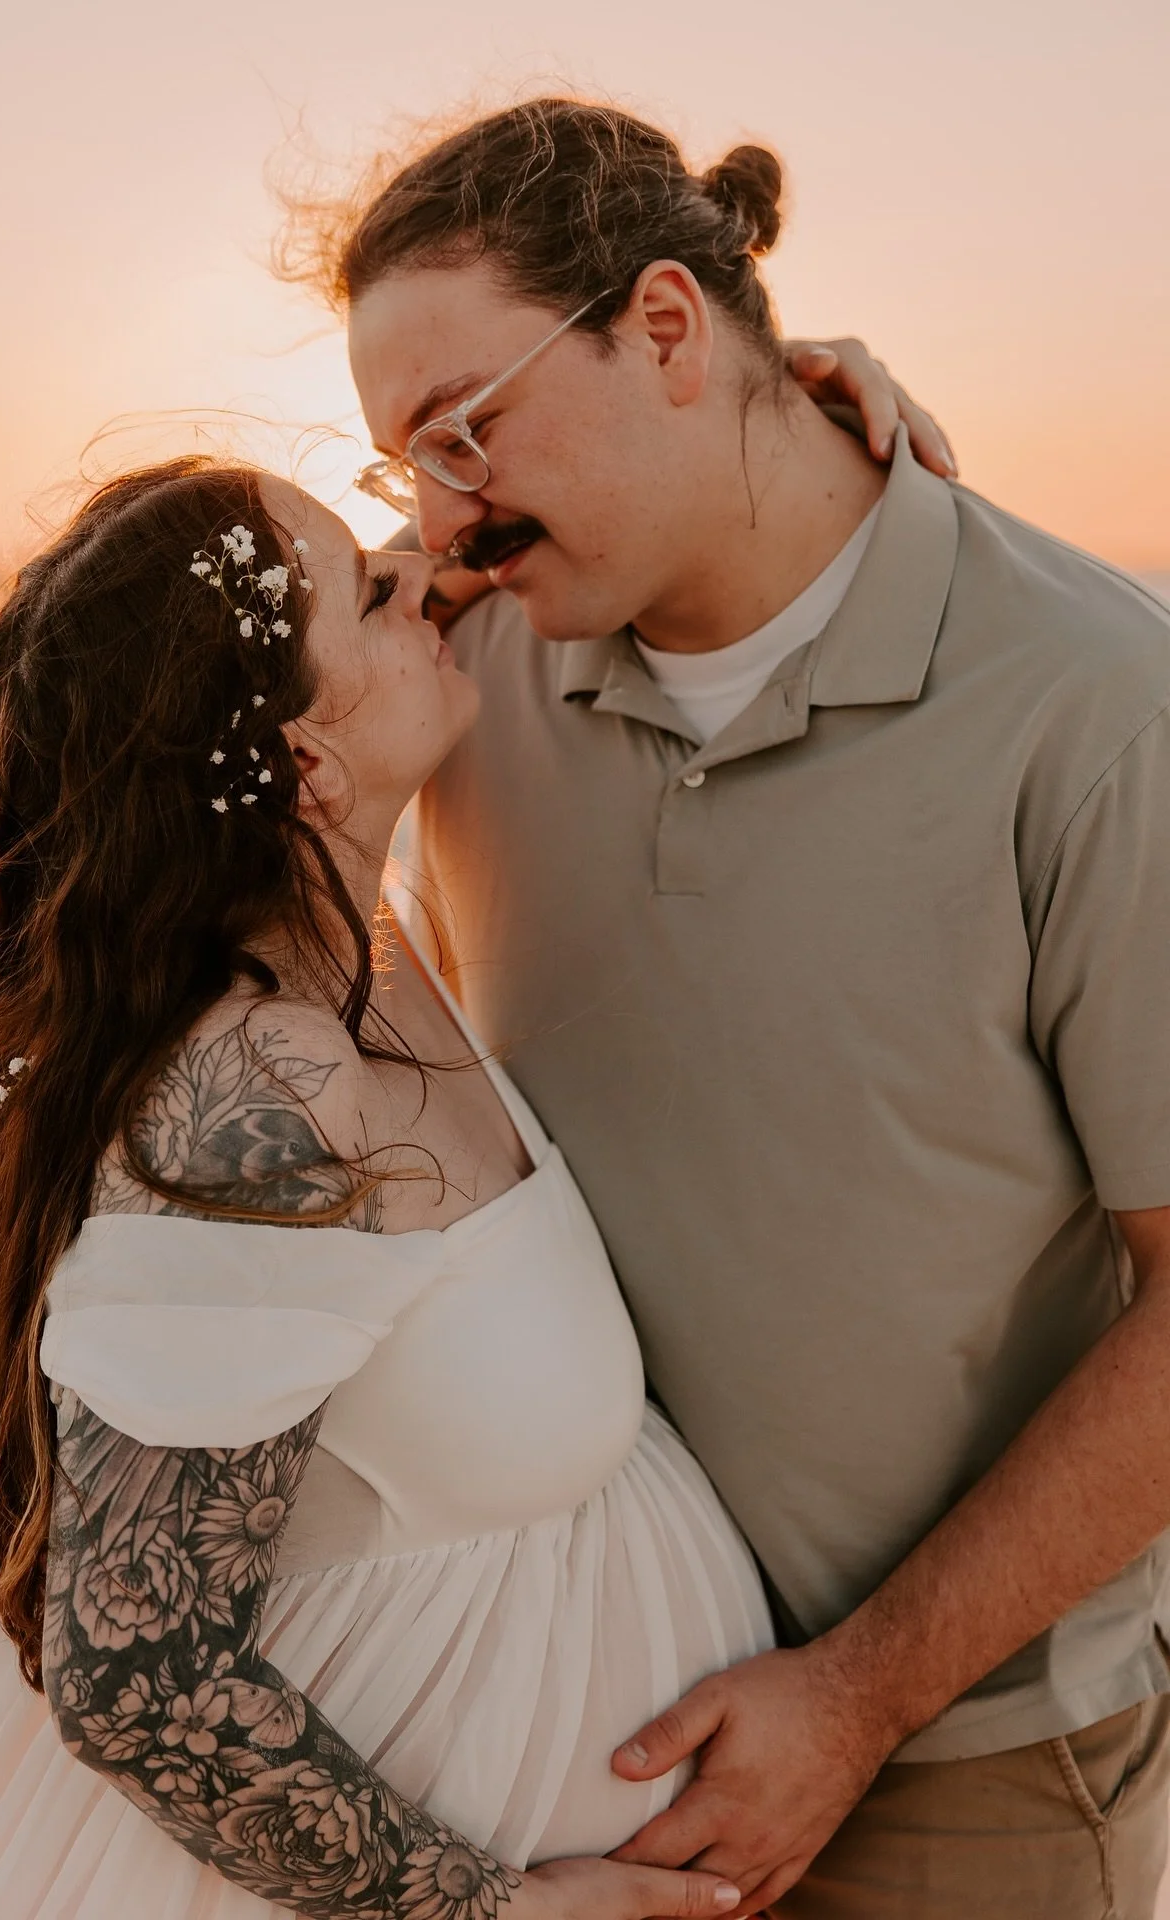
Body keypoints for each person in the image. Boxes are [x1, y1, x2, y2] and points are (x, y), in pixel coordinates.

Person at [0, 382, 934, 1920]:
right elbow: (133, 1664)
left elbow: (413, 580)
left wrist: (752, 406)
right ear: (300, 765)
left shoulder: (357, 950)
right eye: (375, 598)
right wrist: (490, 1912)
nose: (420, 582)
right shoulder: (267, 1097)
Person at [284, 95, 1170, 1919]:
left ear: (670, 330)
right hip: (553, 1761)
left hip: (964, 1764)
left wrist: (853, 1702)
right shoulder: (458, 663)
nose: (448, 515)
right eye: (407, 468)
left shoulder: (1102, 712)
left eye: (471, 428)